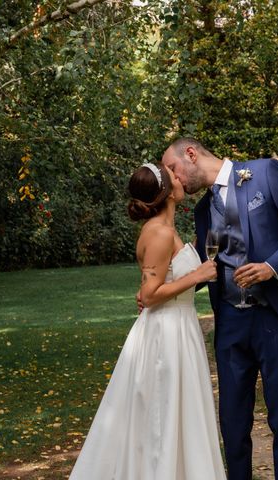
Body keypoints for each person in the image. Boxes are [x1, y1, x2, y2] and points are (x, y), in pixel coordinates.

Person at [162, 138, 278, 480]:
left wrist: (272, 266)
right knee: (232, 423)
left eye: (174, 169)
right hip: (230, 325)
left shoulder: (265, 173)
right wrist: (158, 293)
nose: (174, 180)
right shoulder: (201, 211)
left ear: (191, 154)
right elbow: (205, 265)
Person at [68, 162, 226, 480]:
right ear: (168, 194)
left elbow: (155, 285)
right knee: (161, 415)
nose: (181, 178)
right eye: (174, 177)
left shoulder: (165, 230)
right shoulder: (160, 233)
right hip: (166, 335)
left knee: (180, 415)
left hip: (180, 329)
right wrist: (198, 274)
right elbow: (151, 294)